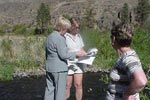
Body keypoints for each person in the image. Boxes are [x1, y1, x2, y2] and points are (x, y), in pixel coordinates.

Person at [44, 16, 86, 100]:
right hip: (59, 69)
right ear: (62, 28)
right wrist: (76, 54)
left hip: (49, 68)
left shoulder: (49, 37)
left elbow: (47, 54)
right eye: (66, 29)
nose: (67, 31)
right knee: (60, 93)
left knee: (49, 90)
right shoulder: (60, 38)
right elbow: (63, 55)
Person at [105, 22, 147, 100]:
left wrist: (127, 94)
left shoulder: (128, 57)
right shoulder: (125, 56)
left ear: (114, 39)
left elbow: (141, 81)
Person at [65, 17, 87, 100]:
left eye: (79, 27)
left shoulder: (79, 36)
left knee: (78, 85)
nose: (78, 29)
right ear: (71, 26)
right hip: (68, 63)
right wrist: (75, 53)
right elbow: (63, 52)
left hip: (79, 63)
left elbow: (81, 49)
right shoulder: (65, 36)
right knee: (67, 85)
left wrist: (86, 54)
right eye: (76, 27)